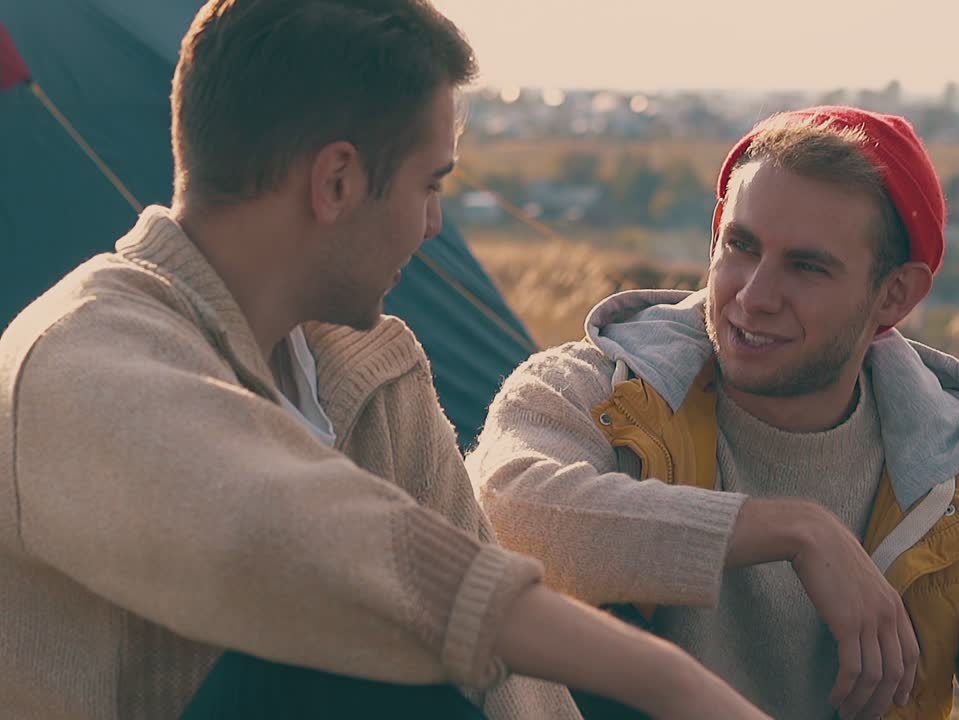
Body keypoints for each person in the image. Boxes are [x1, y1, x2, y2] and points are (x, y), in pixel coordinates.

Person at [0, 1, 771, 719]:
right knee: (384, 646)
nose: (434, 224)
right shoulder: (78, 358)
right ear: (336, 181)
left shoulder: (371, 373)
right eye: (429, 185)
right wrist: (672, 683)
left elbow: (508, 674)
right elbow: (291, 535)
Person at [467, 106, 959, 720]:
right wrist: (794, 530)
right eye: (741, 246)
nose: (755, 295)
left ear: (894, 295)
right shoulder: (596, 392)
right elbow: (501, 509)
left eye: (806, 267)